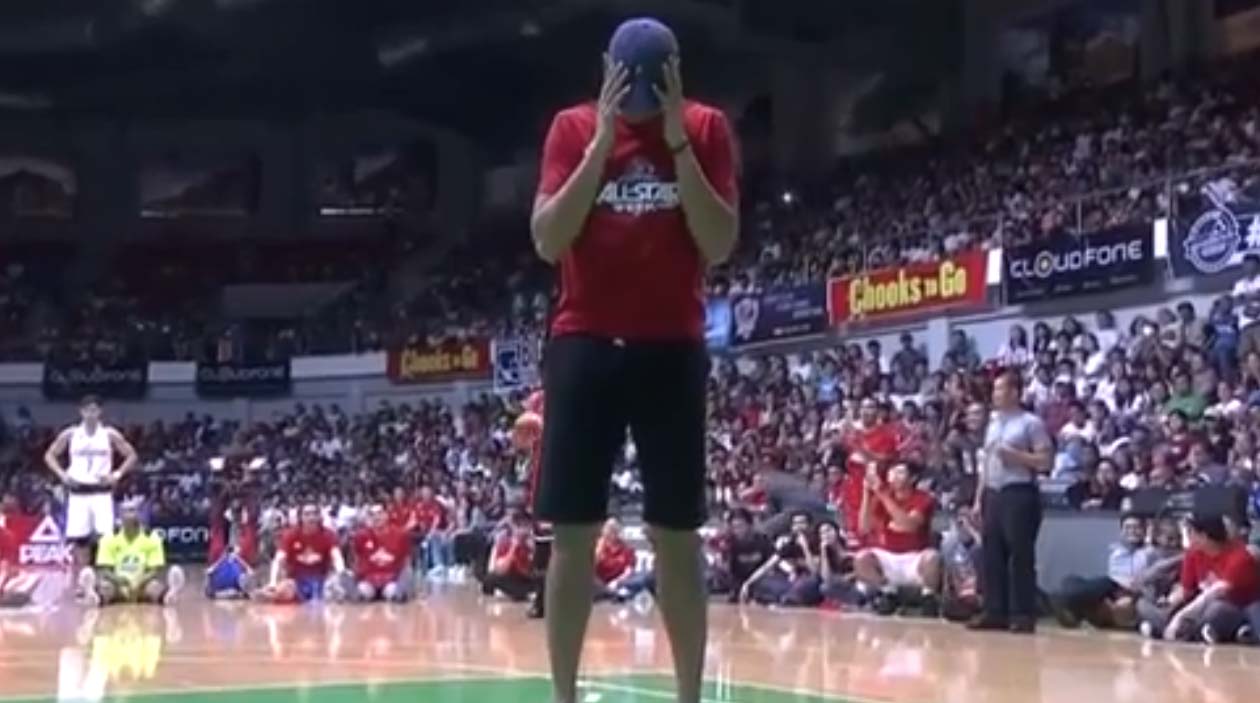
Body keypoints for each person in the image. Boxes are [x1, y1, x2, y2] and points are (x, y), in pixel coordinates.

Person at [529, 15, 737, 703]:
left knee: (676, 533)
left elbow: (719, 241)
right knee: (573, 532)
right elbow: (548, 239)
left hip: (672, 346)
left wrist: (675, 141)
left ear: (677, 76)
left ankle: (689, 696)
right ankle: (563, 696)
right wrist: (601, 145)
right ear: (605, 73)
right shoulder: (570, 128)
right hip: (584, 343)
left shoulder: (706, 128)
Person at [970, 371, 1054, 633]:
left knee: (1020, 555)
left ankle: (1022, 614)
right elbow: (986, 464)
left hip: (1019, 491)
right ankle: (994, 610)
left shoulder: (1031, 423)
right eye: (994, 390)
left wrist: (1017, 456)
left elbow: (1045, 461)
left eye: (999, 389)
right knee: (991, 553)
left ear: (1015, 392)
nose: (995, 395)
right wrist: (978, 500)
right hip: (993, 492)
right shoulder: (993, 424)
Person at [43, 396, 139, 573]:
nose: (90, 414)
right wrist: (62, 475)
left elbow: (132, 455)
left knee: (106, 538)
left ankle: (106, 577)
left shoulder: (109, 434)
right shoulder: (70, 434)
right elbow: (49, 455)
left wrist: (116, 474)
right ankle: (84, 577)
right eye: (87, 410)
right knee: (80, 539)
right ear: (81, 412)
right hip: (78, 492)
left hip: (101, 493)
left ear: (100, 412)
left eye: (94, 410)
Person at [1139, 514, 1260, 644]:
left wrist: (1179, 618)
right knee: (1143, 604)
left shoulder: (1240, 557)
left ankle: (1177, 631)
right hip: (1199, 604)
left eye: (1191, 532)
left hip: (1234, 605)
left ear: (1204, 536)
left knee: (1216, 609)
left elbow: (1213, 594)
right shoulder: (1193, 553)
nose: (1188, 537)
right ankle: (1189, 631)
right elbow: (1186, 591)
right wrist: (1169, 603)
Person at [855, 462, 941, 615]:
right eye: (892, 472)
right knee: (861, 559)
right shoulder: (881, 497)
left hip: (915, 557)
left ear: (912, 478)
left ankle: (928, 597)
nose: (894, 476)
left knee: (932, 558)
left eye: (900, 472)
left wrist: (882, 494)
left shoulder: (923, 498)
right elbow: (864, 528)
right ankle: (888, 593)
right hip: (888, 556)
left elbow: (908, 525)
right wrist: (867, 493)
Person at [80, 500, 185, 607]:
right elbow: (105, 570)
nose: (129, 515)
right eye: (125, 511)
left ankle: (168, 596)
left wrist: (140, 582)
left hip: (142, 584)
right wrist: (119, 581)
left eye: (132, 511)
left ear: (140, 515)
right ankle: (95, 597)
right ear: (120, 517)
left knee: (154, 587)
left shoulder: (152, 537)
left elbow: (154, 570)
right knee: (106, 587)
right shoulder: (109, 538)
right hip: (117, 585)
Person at [259, 503, 348, 604]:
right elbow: (278, 560)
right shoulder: (291, 534)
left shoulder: (329, 534)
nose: (311, 517)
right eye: (307, 514)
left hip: (321, 580)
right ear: (300, 517)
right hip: (296, 581)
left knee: (333, 595)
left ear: (319, 517)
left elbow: (337, 557)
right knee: (283, 592)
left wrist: (342, 575)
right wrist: (272, 583)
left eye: (315, 514)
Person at [350, 504, 412, 602]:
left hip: (391, 580)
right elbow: (356, 560)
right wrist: (355, 577)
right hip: (369, 580)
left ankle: (399, 594)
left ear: (386, 514)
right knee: (363, 593)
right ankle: (355, 593)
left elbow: (407, 561)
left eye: (379, 513)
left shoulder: (400, 534)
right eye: (372, 514)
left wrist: (405, 581)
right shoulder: (360, 536)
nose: (376, 517)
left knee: (392, 592)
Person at [479, 513, 540, 602]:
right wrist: (513, 547)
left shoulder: (533, 544)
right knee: (492, 578)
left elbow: (532, 571)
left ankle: (522, 593)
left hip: (526, 579)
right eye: (520, 526)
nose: (523, 530)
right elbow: (501, 570)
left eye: (526, 526)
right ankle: (521, 593)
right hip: (508, 577)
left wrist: (533, 550)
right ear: (514, 528)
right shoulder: (505, 543)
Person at [0, 519, 39, 607]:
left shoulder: (6, 536)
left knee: (29, 577)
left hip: (6, 577)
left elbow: (5, 567)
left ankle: (9, 596)